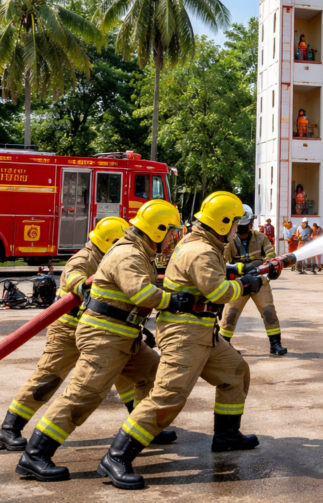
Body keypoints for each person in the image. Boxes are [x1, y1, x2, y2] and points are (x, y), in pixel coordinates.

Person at [96, 192, 263, 489]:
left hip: (201, 330)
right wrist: (247, 283)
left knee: (235, 371)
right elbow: (218, 292)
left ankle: (226, 436)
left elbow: (211, 277)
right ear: (223, 224)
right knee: (168, 397)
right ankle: (117, 456)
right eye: (236, 222)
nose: (238, 228)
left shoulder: (201, 244)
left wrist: (243, 271)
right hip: (185, 333)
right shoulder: (202, 250)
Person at [15, 200, 184, 483]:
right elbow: (141, 294)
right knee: (84, 394)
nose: (172, 238)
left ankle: (139, 432)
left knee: (156, 375)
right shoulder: (128, 254)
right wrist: (175, 299)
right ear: (158, 230)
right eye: (171, 232)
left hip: (125, 335)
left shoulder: (142, 252)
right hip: (105, 335)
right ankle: (35, 455)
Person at [0, 217, 145, 451]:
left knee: (124, 374)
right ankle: (9, 430)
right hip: (67, 330)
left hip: (99, 330)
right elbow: (71, 276)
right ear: (110, 241)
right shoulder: (85, 258)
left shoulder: (110, 256)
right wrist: (84, 284)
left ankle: (139, 422)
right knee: (48, 378)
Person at [219, 204, 286, 355]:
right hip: (239, 283)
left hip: (259, 282)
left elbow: (270, 254)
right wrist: (240, 269)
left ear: (251, 224)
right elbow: (223, 262)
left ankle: (275, 344)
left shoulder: (260, 238)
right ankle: (224, 348)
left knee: (269, 311)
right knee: (230, 315)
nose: (243, 228)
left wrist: (269, 265)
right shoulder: (230, 242)